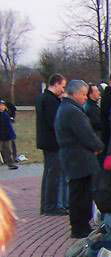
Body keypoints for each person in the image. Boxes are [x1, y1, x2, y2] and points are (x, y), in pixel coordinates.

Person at [55, 80, 104, 239]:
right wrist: (98, 146)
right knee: (81, 194)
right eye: (83, 94)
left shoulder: (66, 108)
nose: (85, 97)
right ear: (75, 93)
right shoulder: (73, 111)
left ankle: (80, 225)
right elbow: (86, 134)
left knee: (78, 193)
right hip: (79, 159)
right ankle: (80, 227)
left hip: (74, 157)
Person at [36, 73, 67, 215]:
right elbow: (55, 122)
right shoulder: (51, 101)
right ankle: (51, 206)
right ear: (55, 84)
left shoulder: (43, 98)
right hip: (53, 142)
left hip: (46, 141)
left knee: (49, 173)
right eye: (62, 86)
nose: (63, 89)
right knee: (54, 174)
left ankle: (46, 204)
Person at [0, 100, 17, 170]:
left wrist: (12, 135)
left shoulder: (5, 114)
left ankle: (10, 163)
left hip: (6, 135)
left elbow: (9, 126)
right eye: (1, 105)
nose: (2, 106)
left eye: (3, 105)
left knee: (7, 150)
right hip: (1, 134)